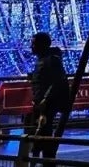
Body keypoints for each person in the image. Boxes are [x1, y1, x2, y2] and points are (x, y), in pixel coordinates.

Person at [28, 32, 70, 160]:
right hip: (41, 103)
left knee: (43, 137)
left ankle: (45, 160)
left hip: (46, 105)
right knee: (38, 136)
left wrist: (45, 99)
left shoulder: (51, 60)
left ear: (42, 45)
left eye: (34, 44)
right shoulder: (42, 59)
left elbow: (57, 81)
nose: (31, 46)